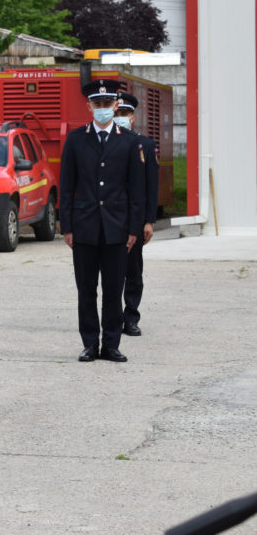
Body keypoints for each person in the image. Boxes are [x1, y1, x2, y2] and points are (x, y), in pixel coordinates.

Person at [59, 79, 144, 364]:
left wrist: (134, 228)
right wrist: (66, 226)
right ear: (89, 106)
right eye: (98, 104)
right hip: (84, 226)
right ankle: (89, 344)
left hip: (117, 228)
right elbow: (67, 184)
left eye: (108, 104)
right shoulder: (75, 139)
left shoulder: (129, 141)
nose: (103, 109)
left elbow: (136, 190)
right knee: (86, 289)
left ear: (116, 105)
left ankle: (111, 344)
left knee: (112, 289)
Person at [115, 91, 158, 337]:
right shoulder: (105, 144)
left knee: (133, 271)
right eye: (117, 113)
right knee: (112, 272)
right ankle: (112, 316)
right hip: (111, 218)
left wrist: (149, 220)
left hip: (135, 218)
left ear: (133, 117)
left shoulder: (145, 145)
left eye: (125, 113)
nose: (121, 117)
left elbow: (151, 187)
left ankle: (131, 316)